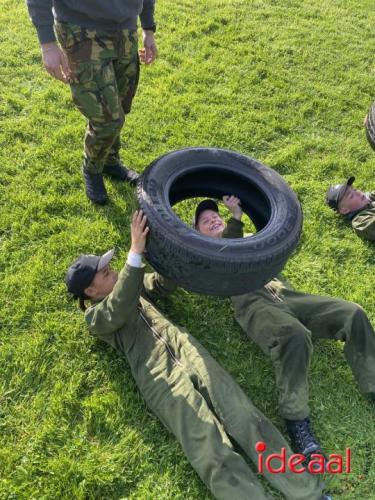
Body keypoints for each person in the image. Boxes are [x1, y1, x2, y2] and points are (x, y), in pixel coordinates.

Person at [65, 210, 329, 500]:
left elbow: (165, 283)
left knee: (245, 416)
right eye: (106, 273)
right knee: (209, 448)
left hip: (187, 348)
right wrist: (134, 254)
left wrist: (174, 249)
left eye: (112, 268)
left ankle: (308, 493)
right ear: (90, 291)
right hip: (158, 378)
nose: (114, 271)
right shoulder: (96, 318)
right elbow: (119, 305)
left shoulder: (134, 286)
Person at [194, 195, 375, 462]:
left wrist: (247, 214)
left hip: (288, 295)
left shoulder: (252, 241)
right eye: (205, 221)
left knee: (352, 313)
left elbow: (280, 236)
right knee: (294, 335)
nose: (212, 219)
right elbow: (225, 253)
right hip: (253, 303)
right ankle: (296, 420)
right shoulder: (203, 254)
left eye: (215, 216)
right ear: (196, 235)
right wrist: (234, 221)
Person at [26, 0, 158, 205]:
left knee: (121, 105)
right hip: (81, 29)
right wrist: (47, 43)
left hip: (126, 27)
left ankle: (110, 161)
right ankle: (92, 168)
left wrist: (148, 29)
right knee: (107, 117)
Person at [325, 176, 375, 241]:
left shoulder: (368, 199)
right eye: (351, 196)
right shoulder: (360, 221)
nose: (357, 193)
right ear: (345, 210)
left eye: (354, 190)